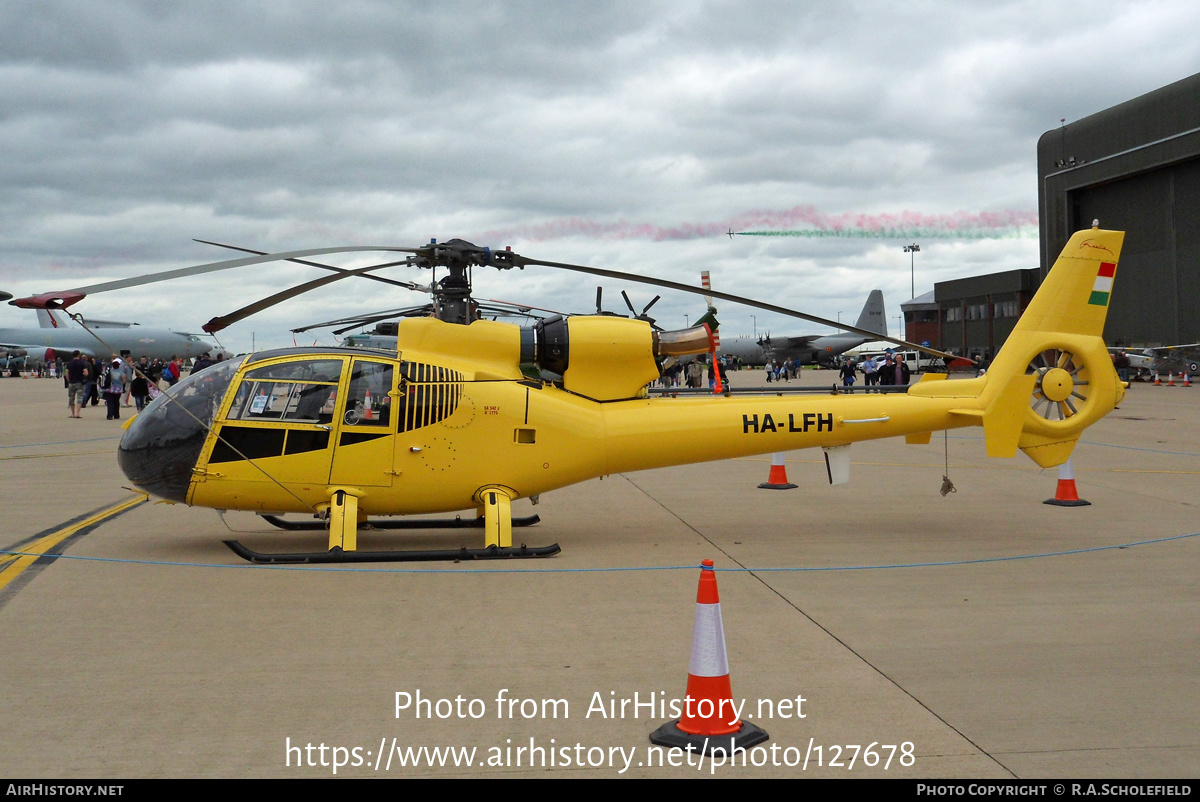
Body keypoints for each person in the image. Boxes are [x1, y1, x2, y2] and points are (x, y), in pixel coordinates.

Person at [65, 350, 89, 418]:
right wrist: (83, 374)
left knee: (71, 398)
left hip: (72, 382)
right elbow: (86, 373)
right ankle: (77, 413)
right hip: (80, 382)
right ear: (79, 355)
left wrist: (69, 380)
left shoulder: (70, 363)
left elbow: (66, 373)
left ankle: (72, 413)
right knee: (80, 398)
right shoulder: (82, 363)